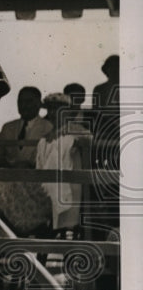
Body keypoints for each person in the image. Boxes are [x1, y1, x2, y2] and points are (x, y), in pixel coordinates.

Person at [0, 86, 53, 235]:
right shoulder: (8, 127)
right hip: (9, 178)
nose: (24, 105)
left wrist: (30, 164)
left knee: (2, 182)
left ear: (38, 104)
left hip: (35, 182)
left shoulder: (48, 128)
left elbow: (49, 160)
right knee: (1, 180)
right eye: (21, 101)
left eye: (29, 101)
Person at [37, 92, 92, 235]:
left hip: (70, 184)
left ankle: (65, 229)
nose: (54, 113)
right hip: (48, 183)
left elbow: (88, 139)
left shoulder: (75, 129)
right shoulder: (46, 137)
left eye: (59, 109)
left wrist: (74, 138)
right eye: (51, 109)